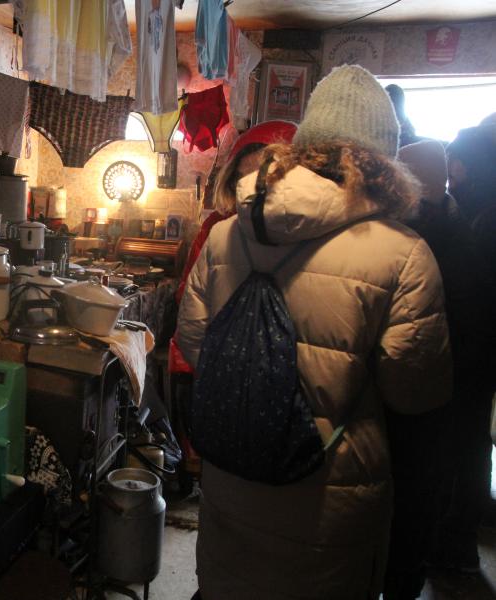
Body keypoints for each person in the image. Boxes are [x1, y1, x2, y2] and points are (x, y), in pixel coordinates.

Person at [178, 65, 452, 599]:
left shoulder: (226, 233)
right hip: (330, 497)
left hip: (233, 475)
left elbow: (194, 341)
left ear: (305, 145)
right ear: (386, 158)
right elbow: (415, 395)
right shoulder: (404, 255)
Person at [167, 120, 296, 488]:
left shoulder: (308, 238)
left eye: (263, 178)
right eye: (243, 178)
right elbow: (189, 308)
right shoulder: (217, 227)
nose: (251, 190)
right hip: (227, 382)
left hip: (275, 394)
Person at [422, 123, 496, 574]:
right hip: (479, 351)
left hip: (469, 350)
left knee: (460, 448)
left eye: (457, 162)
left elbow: (469, 295)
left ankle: (452, 543)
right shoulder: (478, 209)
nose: (451, 172)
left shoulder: (478, 220)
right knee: (470, 447)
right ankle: (458, 541)